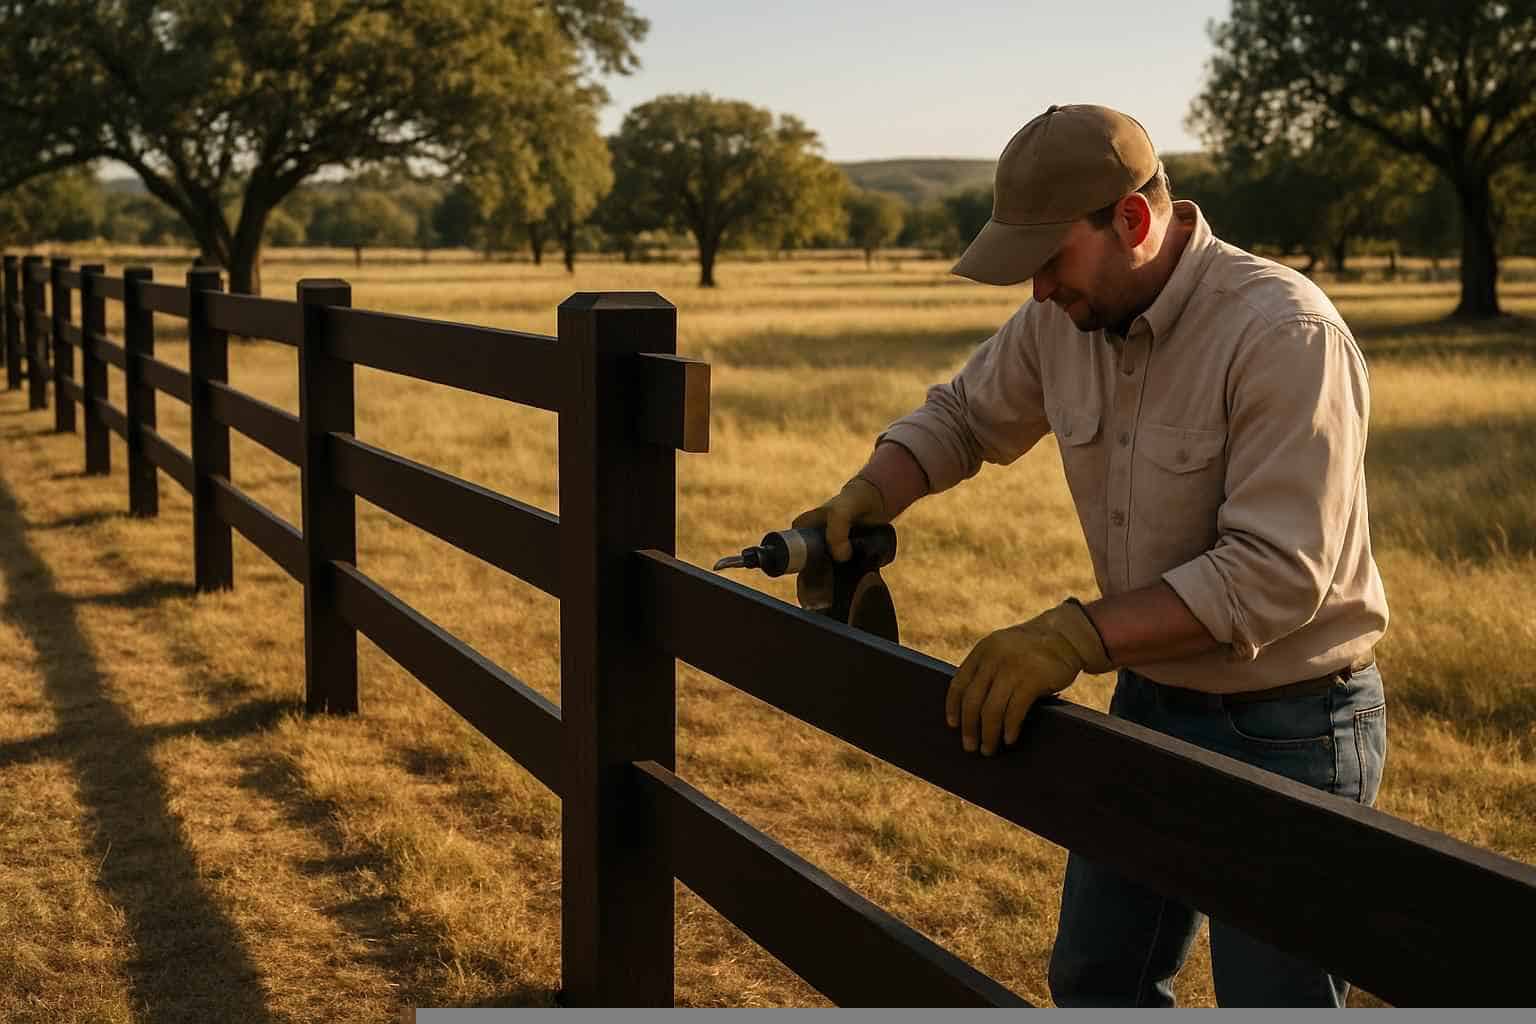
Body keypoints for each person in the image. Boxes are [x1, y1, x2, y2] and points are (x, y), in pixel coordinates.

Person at [792, 104, 1389, 1008]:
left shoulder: (1284, 334)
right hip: (1152, 697)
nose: (1037, 292)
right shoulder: (1060, 321)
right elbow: (961, 417)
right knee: (1098, 981)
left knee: (1275, 1002)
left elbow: (1276, 572)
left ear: (1133, 222)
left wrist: (1072, 636)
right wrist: (870, 491)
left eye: (1048, 262)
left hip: (1293, 725)